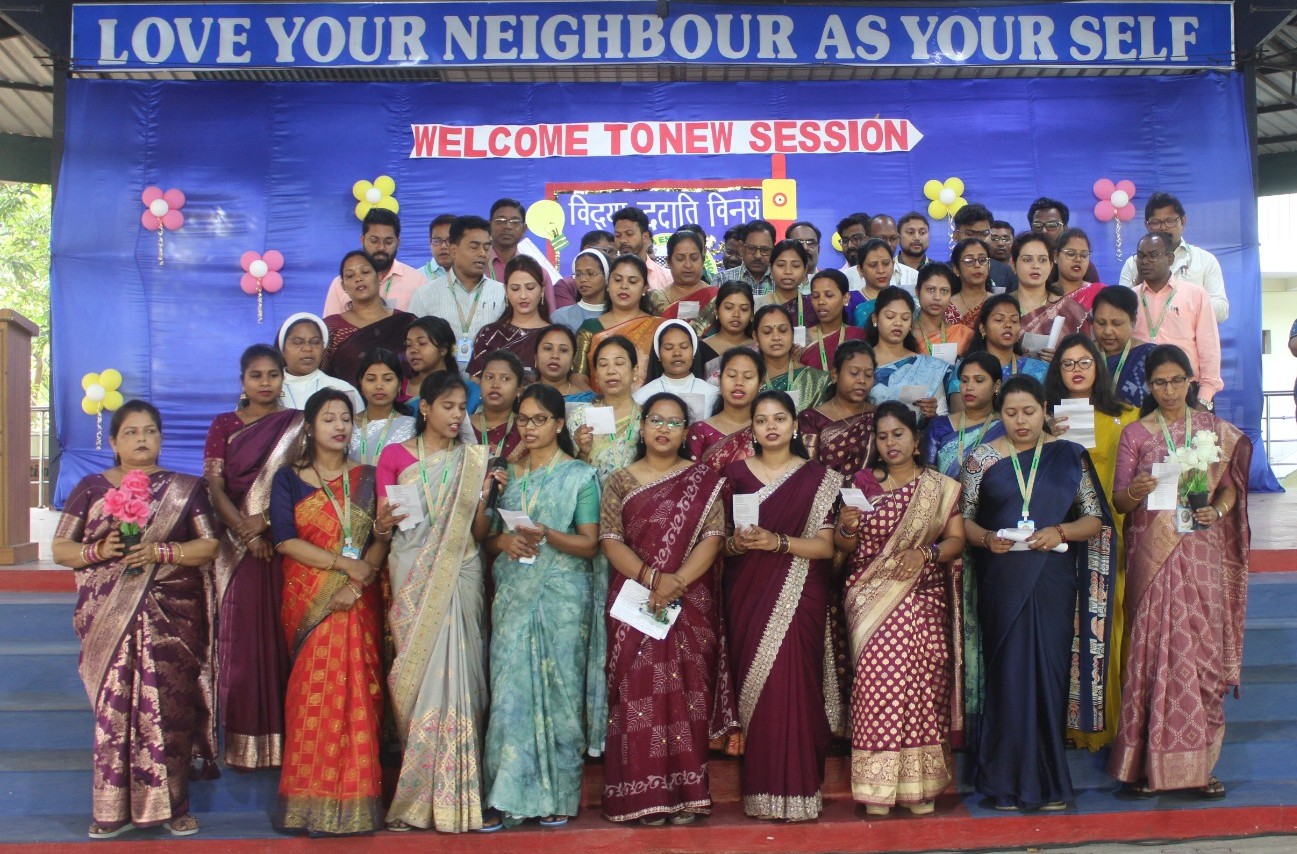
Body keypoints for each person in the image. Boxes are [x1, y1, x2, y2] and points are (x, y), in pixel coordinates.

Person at [53, 401, 221, 840]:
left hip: (171, 618)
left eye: (150, 431)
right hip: (109, 618)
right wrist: (97, 551)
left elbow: (209, 546)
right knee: (114, 712)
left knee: (169, 709)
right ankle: (111, 810)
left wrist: (161, 552)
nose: (142, 439)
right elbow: (61, 549)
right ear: (113, 442)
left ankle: (173, 806)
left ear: (161, 438)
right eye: (131, 432)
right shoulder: (90, 487)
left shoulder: (186, 488)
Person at [959, 376, 1112, 811]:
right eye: (1010, 413)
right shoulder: (982, 459)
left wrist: (1059, 531)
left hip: (1051, 581)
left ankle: (1048, 783)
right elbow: (963, 521)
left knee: (1049, 676)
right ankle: (1002, 783)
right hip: (1001, 581)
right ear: (999, 414)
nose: (1020, 421)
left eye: (1029, 411)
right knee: (1007, 678)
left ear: (1045, 409)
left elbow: (1094, 519)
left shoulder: (1069, 455)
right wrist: (986, 539)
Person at [1108, 345, 1251, 799]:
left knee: (1203, 655)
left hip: (1201, 551)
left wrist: (1218, 511)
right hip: (1153, 555)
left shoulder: (1212, 429)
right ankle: (1148, 767)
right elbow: (1120, 502)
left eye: (1176, 380)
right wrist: (1136, 489)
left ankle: (1200, 766)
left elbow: (1229, 488)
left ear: (1190, 380)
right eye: (1159, 383)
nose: (1169, 390)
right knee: (1152, 657)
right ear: (1148, 386)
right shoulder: (1136, 434)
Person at [376, 371, 501, 832]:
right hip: (412, 572)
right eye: (447, 406)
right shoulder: (394, 456)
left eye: (461, 408)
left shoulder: (473, 458)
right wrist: (381, 523)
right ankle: (413, 799)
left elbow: (479, 534)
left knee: (461, 679)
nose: (456, 415)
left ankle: (461, 796)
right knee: (417, 677)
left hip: (461, 571)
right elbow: (385, 527)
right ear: (425, 408)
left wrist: (484, 500)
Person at [269, 389, 396, 836]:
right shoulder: (288, 479)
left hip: (358, 600)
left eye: (345, 418)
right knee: (312, 699)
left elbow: (381, 539)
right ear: (309, 426)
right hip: (311, 602)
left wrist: (357, 584)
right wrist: (345, 566)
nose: (339, 426)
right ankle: (309, 806)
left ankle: (355, 806)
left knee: (359, 695)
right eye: (328, 418)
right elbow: (284, 540)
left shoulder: (367, 477)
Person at [599, 393, 729, 825]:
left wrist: (677, 582)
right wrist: (653, 579)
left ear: (686, 432)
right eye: (656, 420)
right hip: (636, 601)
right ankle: (641, 795)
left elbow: (713, 537)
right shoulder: (619, 481)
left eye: (674, 423)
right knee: (637, 693)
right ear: (641, 427)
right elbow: (610, 540)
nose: (664, 429)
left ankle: (689, 794)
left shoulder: (703, 479)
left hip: (689, 602)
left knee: (688, 694)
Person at [834, 402, 965, 816]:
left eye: (898, 434)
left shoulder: (939, 488)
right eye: (883, 436)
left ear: (916, 439)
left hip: (923, 596)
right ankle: (876, 786)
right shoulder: (860, 485)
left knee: (924, 686)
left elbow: (956, 540)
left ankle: (919, 787)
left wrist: (925, 554)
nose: (891, 443)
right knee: (878, 687)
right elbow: (845, 546)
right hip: (869, 599)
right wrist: (847, 527)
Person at [482, 385, 601, 829]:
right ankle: (506, 794)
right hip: (514, 595)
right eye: (523, 419)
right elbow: (484, 538)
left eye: (539, 419)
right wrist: (503, 541)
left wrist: (546, 532)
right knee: (509, 696)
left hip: (562, 600)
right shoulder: (504, 474)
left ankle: (558, 797)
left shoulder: (579, 476)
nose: (529, 428)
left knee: (560, 693)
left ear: (558, 423)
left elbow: (589, 545)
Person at [722, 390, 841, 821]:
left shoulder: (820, 478)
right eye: (761, 420)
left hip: (800, 592)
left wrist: (777, 542)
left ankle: (801, 792)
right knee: (758, 689)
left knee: (795, 684)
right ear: (752, 429)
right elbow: (721, 545)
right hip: (747, 592)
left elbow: (825, 548)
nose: (770, 426)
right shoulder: (733, 475)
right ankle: (762, 792)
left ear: (794, 426)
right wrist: (738, 544)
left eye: (779, 418)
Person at [203, 345, 302, 771]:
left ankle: (286, 743)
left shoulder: (297, 425)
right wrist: (245, 531)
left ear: (283, 378)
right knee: (241, 643)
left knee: (281, 640)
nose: (265, 383)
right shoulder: (224, 424)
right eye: (256, 375)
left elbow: (301, 484)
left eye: (272, 375)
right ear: (242, 380)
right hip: (234, 547)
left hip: (281, 544)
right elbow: (214, 486)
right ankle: (243, 745)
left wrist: (265, 526)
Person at [1044, 333, 1140, 750]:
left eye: (1085, 362)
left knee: (1105, 626)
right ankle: (1064, 724)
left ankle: (1104, 726)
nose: (1077, 370)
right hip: (1057, 534)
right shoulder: (1044, 417)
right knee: (1063, 627)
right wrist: (1047, 435)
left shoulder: (1126, 416)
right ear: (1057, 371)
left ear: (1098, 367)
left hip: (1109, 535)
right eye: (1068, 363)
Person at [1129, 231, 1223, 410]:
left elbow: (1209, 349)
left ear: (1170, 258)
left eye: (1153, 255)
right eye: (1141, 256)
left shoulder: (1195, 295)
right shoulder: (1131, 298)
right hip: (1141, 390)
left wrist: (1204, 399)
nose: (1145, 261)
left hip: (1186, 389)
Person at [408, 215, 506, 370]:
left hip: (489, 382)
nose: (482, 253)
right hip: (441, 383)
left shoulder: (503, 294)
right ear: (453, 250)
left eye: (487, 248)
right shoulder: (425, 295)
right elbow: (413, 347)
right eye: (474, 247)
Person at [1118, 192, 1229, 322]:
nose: (1163, 228)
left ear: (1183, 221)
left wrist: (1179, 306)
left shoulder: (1205, 260)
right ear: (1147, 226)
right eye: (1156, 223)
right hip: (1145, 334)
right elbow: (1120, 310)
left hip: (1189, 334)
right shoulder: (1134, 263)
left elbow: (1221, 311)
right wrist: (1139, 284)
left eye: (1170, 221)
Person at [573, 254, 664, 391]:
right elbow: (578, 378)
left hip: (649, 403)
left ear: (644, 288)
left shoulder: (659, 328)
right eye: (617, 280)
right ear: (608, 284)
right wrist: (602, 401)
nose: (624, 286)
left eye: (632, 281)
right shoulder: (591, 328)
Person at [322, 250, 414, 384]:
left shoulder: (406, 323)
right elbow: (319, 377)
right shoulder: (331, 327)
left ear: (379, 277)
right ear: (343, 286)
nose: (358, 279)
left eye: (365, 272)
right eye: (350, 276)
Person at [866, 287, 957, 418]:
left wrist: (932, 415)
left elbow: (942, 416)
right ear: (875, 318)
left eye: (905, 318)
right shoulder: (862, 362)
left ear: (910, 324)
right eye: (890, 316)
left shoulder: (928, 366)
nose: (898, 323)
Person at [322, 208, 427, 316]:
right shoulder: (341, 284)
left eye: (388, 242)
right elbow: (330, 325)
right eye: (374, 241)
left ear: (398, 243)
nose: (381, 247)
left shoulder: (417, 281)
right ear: (362, 240)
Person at [568, 336, 644, 481]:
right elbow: (569, 478)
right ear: (596, 375)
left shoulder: (647, 418)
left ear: (635, 371)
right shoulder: (580, 417)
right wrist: (582, 453)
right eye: (603, 365)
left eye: (619, 363)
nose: (610, 371)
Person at [798, 339, 877, 475]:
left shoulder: (879, 417)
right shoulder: (811, 419)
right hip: (821, 487)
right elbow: (808, 470)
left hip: (869, 488)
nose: (862, 380)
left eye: (868, 375)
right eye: (854, 373)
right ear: (835, 374)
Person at [466, 254, 552, 377]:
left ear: (542, 290)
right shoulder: (488, 335)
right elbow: (475, 383)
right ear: (506, 290)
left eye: (530, 288)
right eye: (515, 289)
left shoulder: (554, 336)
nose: (523, 295)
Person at [924, 351, 1006, 479]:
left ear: (997, 385)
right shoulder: (939, 426)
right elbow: (929, 477)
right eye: (964, 380)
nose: (969, 387)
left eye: (979, 380)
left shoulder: (1006, 427)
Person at [1013, 232, 1089, 348]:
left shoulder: (1069, 310)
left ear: (1051, 266)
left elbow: (1084, 352)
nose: (1036, 266)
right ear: (1013, 265)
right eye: (1027, 260)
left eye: (1042, 260)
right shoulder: (1001, 306)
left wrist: (1059, 355)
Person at [633, 319, 718, 420]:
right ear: (658, 354)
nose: (677, 353)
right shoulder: (641, 397)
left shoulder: (712, 394)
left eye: (684, 347)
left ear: (693, 352)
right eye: (669, 348)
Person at [276, 313, 362, 412]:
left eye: (315, 342)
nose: (308, 348)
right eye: (298, 342)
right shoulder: (268, 389)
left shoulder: (343, 389)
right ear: (282, 349)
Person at [754, 304, 829, 413]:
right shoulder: (749, 381)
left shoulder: (818, 380)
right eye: (767, 332)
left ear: (793, 334)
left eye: (783, 330)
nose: (776, 337)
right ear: (756, 338)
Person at [1092, 285, 1156, 410]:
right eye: (1101, 323)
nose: (1107, 331)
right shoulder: (1083, 355)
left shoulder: (1151, 356)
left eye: (1116, 324)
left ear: (1133, 321)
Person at [349, 348, 416, 465]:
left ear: (399, 384)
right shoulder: (348, 425)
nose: (379, 386)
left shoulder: (410, 427)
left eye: (388, 379)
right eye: (371, 379)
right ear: (361, 383)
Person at [402, 315, 481, 413]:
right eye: (408, 345)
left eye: (422, 343)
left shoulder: (470, 391)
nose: (412, 350)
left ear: (443, 349)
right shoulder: (396, 388)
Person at [649, 229, 718, 335]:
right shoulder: (655, 299)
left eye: (694, 258)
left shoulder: (716, 298)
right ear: (668, 262)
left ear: (703, 260)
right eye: (680, 259)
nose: (688, 265)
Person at [488, 198, 555, 307]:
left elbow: (549, 314)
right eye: (501, 220)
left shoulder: (539, 273)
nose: (508, 226)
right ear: (489, 226)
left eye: (515, 222)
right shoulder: (477, 267)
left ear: (524, 229)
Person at [970, 293, 1049, 383]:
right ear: (983, 328)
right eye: (999, 320)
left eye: (1014, 321)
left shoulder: (1039, 370)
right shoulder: (967, 369)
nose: (1008, 325)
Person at [801, 269, 867, 371]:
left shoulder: (859, 336)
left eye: (829, 295)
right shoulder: (801, 337)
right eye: (815, 296)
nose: (821, 302)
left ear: (846, 298)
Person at [1028, 197, 1102, 284]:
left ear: (1065, 228)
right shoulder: (1023, 262)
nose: (1044, 231)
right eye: (1037, 225)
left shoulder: (1079, 265)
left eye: (1052, 225)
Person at [471, 350, 527, 462]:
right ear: (480, 384)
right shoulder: (464, 425)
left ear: (518, 390)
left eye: (505, 378)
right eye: (489, 377)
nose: (495, 385)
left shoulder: (525, 429)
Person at [914, 263, 974, 358]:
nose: (937, 297)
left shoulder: (963, 335)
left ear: (951, 295)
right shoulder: (905, 334)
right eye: (931, 289)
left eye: (944, 291)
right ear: (917, 291)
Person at [698, 282, 756, 380]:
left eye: (744, 309)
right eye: (729, 308)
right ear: (717, 311)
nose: (736, 314)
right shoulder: (700, 349)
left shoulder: (758, 349)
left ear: (751, 314)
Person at [953, 204, 1014, 291]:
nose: (978, 239)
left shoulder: (1005, 272)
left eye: (985, 234)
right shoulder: (944, 272)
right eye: (970, 234)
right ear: (956, 235)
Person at [847, 238, 906, 326]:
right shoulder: (849, 301)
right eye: (873, 265)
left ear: (893, 264)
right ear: (860, 270)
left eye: (886, 263)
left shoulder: (902, 298)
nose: (881, 270)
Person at [612, 206, 672, 291]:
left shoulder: (667, 278)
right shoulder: (609, 275)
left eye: (629, 234)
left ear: (645, 237)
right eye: (618, 235)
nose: (622, 240)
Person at [552, 247, 610, 332]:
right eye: (578, 274)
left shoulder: (618, 315)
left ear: (606, 276)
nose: (583, 279)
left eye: (590, 273)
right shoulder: (560, 317)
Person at [758, 240, 814, 326]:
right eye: (781, 265)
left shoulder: (812, 305)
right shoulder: (756, 304)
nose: (788, 271)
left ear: (805, 270)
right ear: (770, 269)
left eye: (795, 266)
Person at [535, 324, 595, 403]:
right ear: (535, 357)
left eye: (563, 350)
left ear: (573, 360)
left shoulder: (587, 402)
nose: (555, 355)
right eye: (548, 348)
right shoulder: (522, 395)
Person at [717, 219, 777, 296]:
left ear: (773, 250)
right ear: (741, 248)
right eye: (751, 248)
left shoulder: (781, 281)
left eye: (764, 249)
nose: (758, 256)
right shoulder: (722, 279)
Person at [1053, 227, 1106, 310]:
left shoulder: (1100, 294)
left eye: (1084, 255)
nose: (1078, 259)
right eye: (1071, 254)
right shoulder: (1044, 294)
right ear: (1056, 256)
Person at [949, 237, 996, 331]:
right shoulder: (946, 306)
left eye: (982, 260)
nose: (977, 265)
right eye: (969, 261)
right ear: (956, 269)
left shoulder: (998, 304)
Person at [417, 213, 456, 283]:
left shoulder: (473, 276)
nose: (443, 246)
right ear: (430, 242)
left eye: (450, 240)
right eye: (437, 241)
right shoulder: (417, 277)